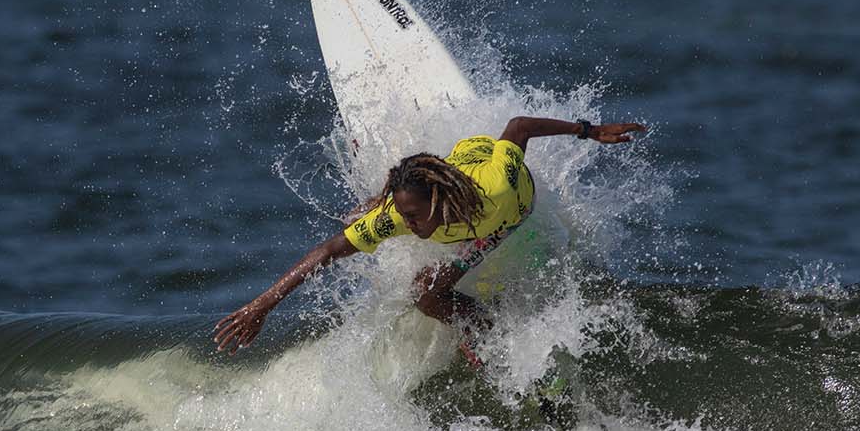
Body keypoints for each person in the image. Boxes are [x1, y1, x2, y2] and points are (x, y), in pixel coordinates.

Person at [213, 116, 646, 356]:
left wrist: (588, 131)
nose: (410, 227)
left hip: (512, 213)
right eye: (404, 215)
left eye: (415, 216)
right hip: (451, 175)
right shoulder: (404, 217)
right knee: (421, 286)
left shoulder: (497, 185)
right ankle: (479, 331)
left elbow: (516, 128)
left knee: (427, 290)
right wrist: (261, 305)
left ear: (440, 201)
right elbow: (331, 248)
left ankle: (486, 334)